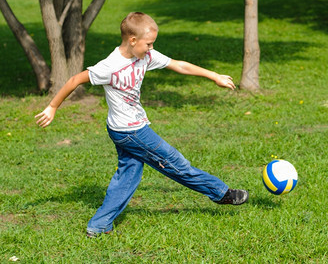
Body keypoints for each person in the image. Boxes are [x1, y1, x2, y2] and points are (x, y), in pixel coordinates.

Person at [35, 12, 249, 238]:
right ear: (132, 40)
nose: (151, 48)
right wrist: (53, 106)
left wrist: (213, 75)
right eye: (149, 43)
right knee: (176, 163)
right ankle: (221, 193)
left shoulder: (144, 56)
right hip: (131, 131)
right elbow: (74, 80)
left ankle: (99, 225)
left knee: (128, 175)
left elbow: (178, 65)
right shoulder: (111, 66)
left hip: (123, 129)